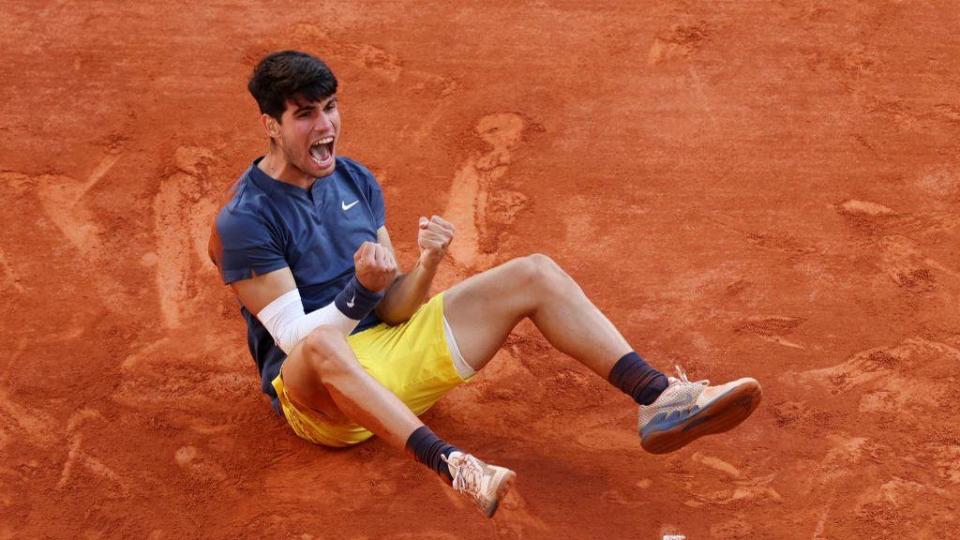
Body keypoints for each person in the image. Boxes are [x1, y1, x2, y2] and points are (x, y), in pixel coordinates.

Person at [208, 50, 762, 518]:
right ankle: (456, 466)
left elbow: (397, 312)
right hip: (323, 402)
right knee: (325, 342)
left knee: (535, 272)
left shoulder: (355, 180)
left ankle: (660, 396)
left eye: (330, 108)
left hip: (386, 358)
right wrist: (359, 291)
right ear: (271, 125)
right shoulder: (245, 221)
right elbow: (298, 342)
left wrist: (426, 263)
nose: (326, 126)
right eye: (305, 114)